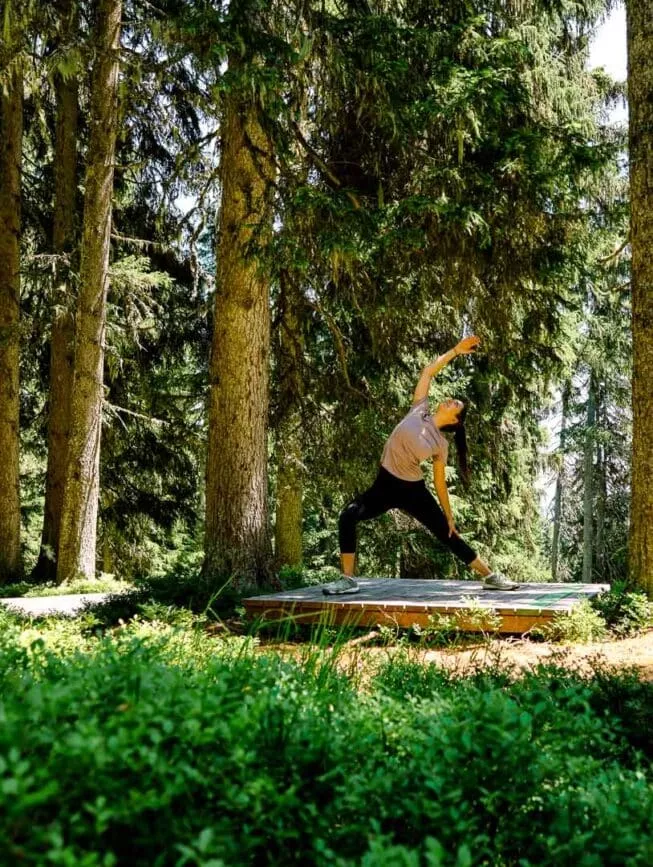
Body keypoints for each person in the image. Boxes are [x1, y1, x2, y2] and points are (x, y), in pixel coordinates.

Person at [323, 336, 519, 595]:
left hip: (412, 490)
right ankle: (348, 580)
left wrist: (448, 515)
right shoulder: (420, 409)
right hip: (385, 483)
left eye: (455, 405)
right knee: (348, 515)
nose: (450, 400)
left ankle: (490, 576)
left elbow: (439, 482)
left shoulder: (441, 444)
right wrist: (455, 351)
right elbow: (428, 372)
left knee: (447, 533)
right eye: (453, 399)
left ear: (455, 420)